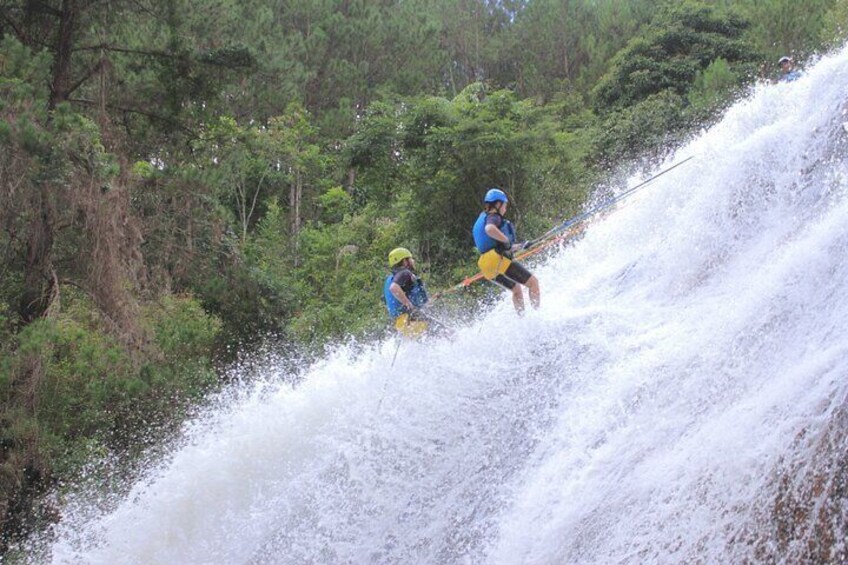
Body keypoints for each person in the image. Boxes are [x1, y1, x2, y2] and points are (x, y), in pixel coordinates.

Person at [472, 188, 540, 313]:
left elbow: (502, 246)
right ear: (497, 204)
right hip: (496, 259)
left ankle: (523, 321)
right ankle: (538, 315)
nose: (505, 208)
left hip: (485, 265)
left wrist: (521, 245)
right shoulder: (493, 217)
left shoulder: (482, 217)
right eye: (504, 205)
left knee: (516, 289)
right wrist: (506, 240)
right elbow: (489, 229)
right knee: (533, 283)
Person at [383, 247, 430, 338]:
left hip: (401, 323)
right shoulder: (405, 273)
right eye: (411, 258)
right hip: (411, 319)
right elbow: (394, 288)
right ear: (405, 261)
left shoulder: (389, 279)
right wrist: (409, 305)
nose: (413, 261)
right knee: (450, 333)